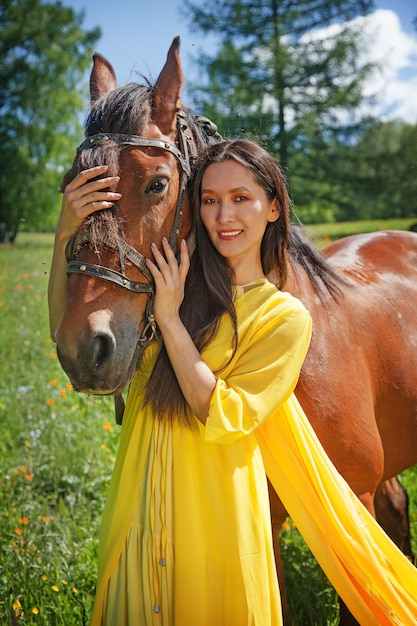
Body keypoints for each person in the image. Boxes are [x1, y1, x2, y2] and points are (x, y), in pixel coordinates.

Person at [49, 139, 417, 626]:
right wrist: (64, 232)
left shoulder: (283, 316)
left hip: (221, 523)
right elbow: (65, 328)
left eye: (242, 198)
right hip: (153, 516)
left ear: (273, 208)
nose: (223, 215)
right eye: (209, 199)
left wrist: (170, 320)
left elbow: (226, 415)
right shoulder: (177, 295)